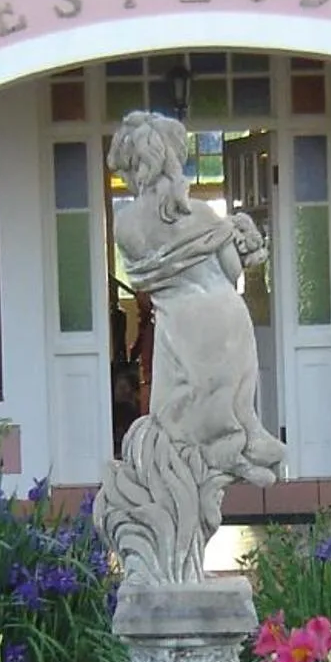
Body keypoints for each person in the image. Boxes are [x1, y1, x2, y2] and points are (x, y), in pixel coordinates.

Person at [106, 111, 284, 486]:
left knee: (180, 409)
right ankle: (239, 450)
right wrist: (244, 238)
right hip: (223, 312)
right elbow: (232, 270)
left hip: (179, 318)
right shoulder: (200, 214)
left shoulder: (125, 224)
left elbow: (142, 279)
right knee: (231, 397)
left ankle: (211, 467)